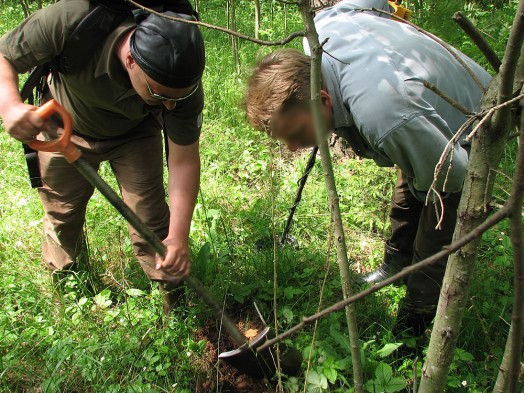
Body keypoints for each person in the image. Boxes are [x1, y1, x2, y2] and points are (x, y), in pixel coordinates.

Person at [243, 0, 491, 336]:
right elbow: (369, 3)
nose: (294, 147)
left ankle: (417, 318)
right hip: (413, 110)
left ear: (323, 99)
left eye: (298, 134)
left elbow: (451, 175)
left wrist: (425, 189)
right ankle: (396, 263)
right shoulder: (319, 35)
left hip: (476, 111)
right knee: (415, 161)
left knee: (435, 199)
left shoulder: (382, 115)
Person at [0, 0, 205, 313]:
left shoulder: (179, 86)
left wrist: (178, 237)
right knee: (62, 215)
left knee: (152, 220)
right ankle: (72, 298)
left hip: (135, 135)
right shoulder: (72, 18)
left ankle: (174, 307)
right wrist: (10, 106)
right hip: (64, 126)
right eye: (159, 95)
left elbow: (183, 160)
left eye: (178, 99)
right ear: (131, 60)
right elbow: (4, 56)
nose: (170, 108)